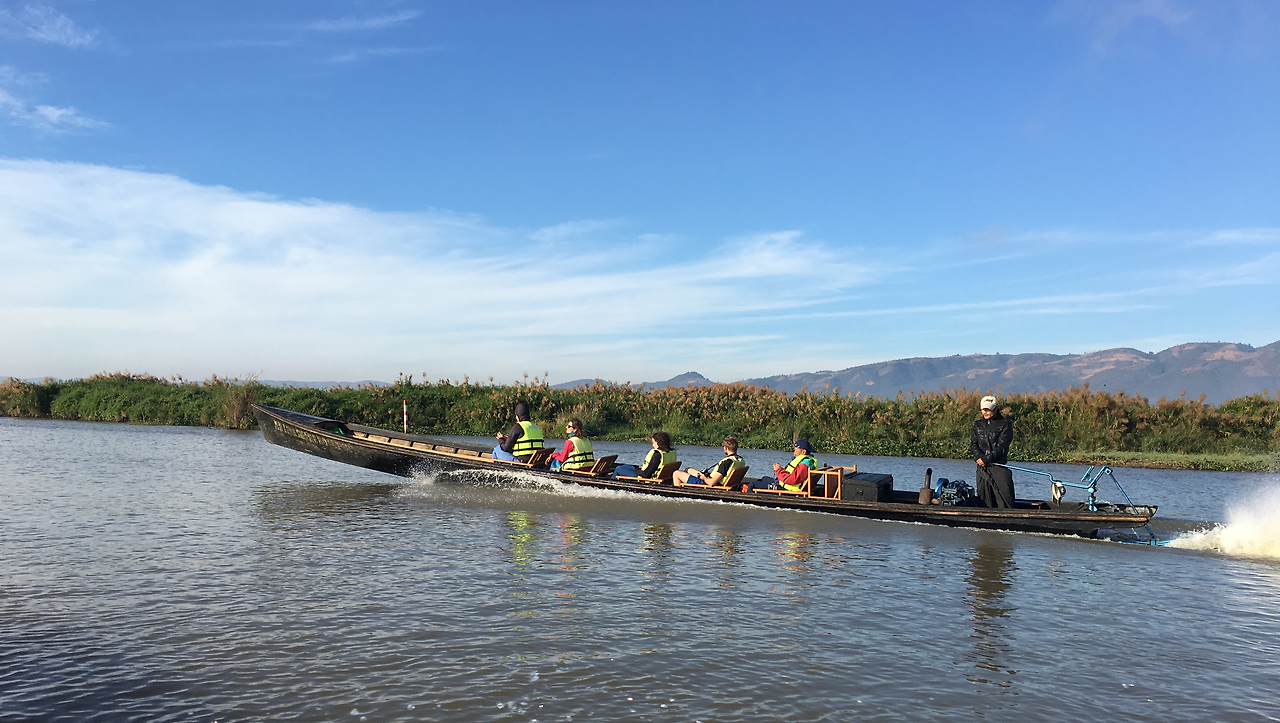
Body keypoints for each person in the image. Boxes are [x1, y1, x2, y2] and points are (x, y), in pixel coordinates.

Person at [971, 395, 1015, 508]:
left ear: (995, 409)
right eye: (983, 409)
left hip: (998, 466)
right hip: (981, 468)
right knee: (983, 499)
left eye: (988, 409)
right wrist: (980, 457)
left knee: (1005, 500)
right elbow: (974, 445)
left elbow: (1002, 448)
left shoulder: (1005, 424)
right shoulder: (977, 425)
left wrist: (986, 459)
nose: (985, 412)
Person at [748, 439, 818, 492]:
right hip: (786, 484)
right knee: (764, 478)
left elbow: (792, 479)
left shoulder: (804, 465)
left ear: (803, 452)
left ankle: (749, 503)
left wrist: (779, 470)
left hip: (787, 488)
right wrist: (781, 469)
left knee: (752, 484)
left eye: (795, 450)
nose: (794, 452)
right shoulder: (806, 461)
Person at [672, 436, 746, 487]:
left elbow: (711, 483)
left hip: (706, 483)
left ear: (726, 448)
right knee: (688, 469)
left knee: (676, 473)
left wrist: (704, 477)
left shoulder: (726, 463)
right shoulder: (739, 460)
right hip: (715, 480)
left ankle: (679, 495)